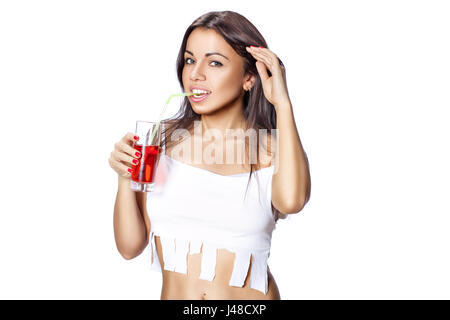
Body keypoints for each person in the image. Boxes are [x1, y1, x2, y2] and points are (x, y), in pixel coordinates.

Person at [108, 11, 311, 300]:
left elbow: (291, 202)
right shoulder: (159, 141)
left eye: (215, 62)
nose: (195, 74)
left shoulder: (273, 148)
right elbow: (129, 247)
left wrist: (282, 103)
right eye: (190, 60)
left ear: (249, 77)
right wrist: (124, 177)